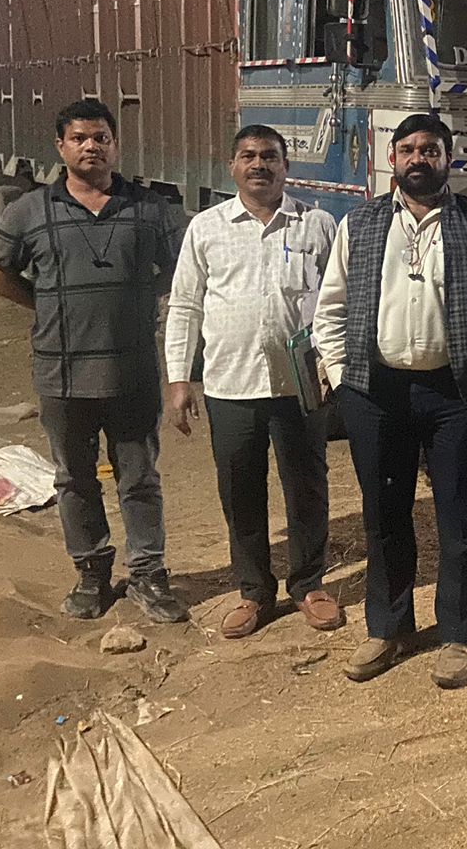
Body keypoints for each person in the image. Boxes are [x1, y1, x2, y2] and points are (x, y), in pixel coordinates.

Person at [313, 113, 467, 690]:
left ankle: (459, 634)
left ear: (448, 158)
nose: (418, 159)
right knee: (384, 515)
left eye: (430, 149)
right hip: (375, 393)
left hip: (457, 393)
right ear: (393, 158)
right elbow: (330, 307)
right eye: (408, 149)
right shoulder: (361, 222)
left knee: (462, 516)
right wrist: (342, 376)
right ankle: (388, 628)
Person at [0, 98, 188, 624]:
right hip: (62, 374)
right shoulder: (29, 211)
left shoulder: (149, 209)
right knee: (74, 479)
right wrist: (48, 305)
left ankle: (148, 575)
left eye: (101, 138)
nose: (91, 147)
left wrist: (141, 299)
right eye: (79, 138)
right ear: (60, 146)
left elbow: (181, 270)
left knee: (139, 478)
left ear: (115, 145)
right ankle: (92, 573)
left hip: (132, 371)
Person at [164, 125, 344, 640]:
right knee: (240, 489)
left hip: (301, 384)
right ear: (233, 166)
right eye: (248, 156)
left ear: (287, 166)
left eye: (269, 156)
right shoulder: (207, 227)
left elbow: (338, 301)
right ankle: (253, 591)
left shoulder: (317, 224)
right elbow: (185, 305)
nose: (259, 165)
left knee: (306, 485)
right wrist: (179, 378)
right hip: (230, 383)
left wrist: (337, 368)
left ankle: (309, 583)